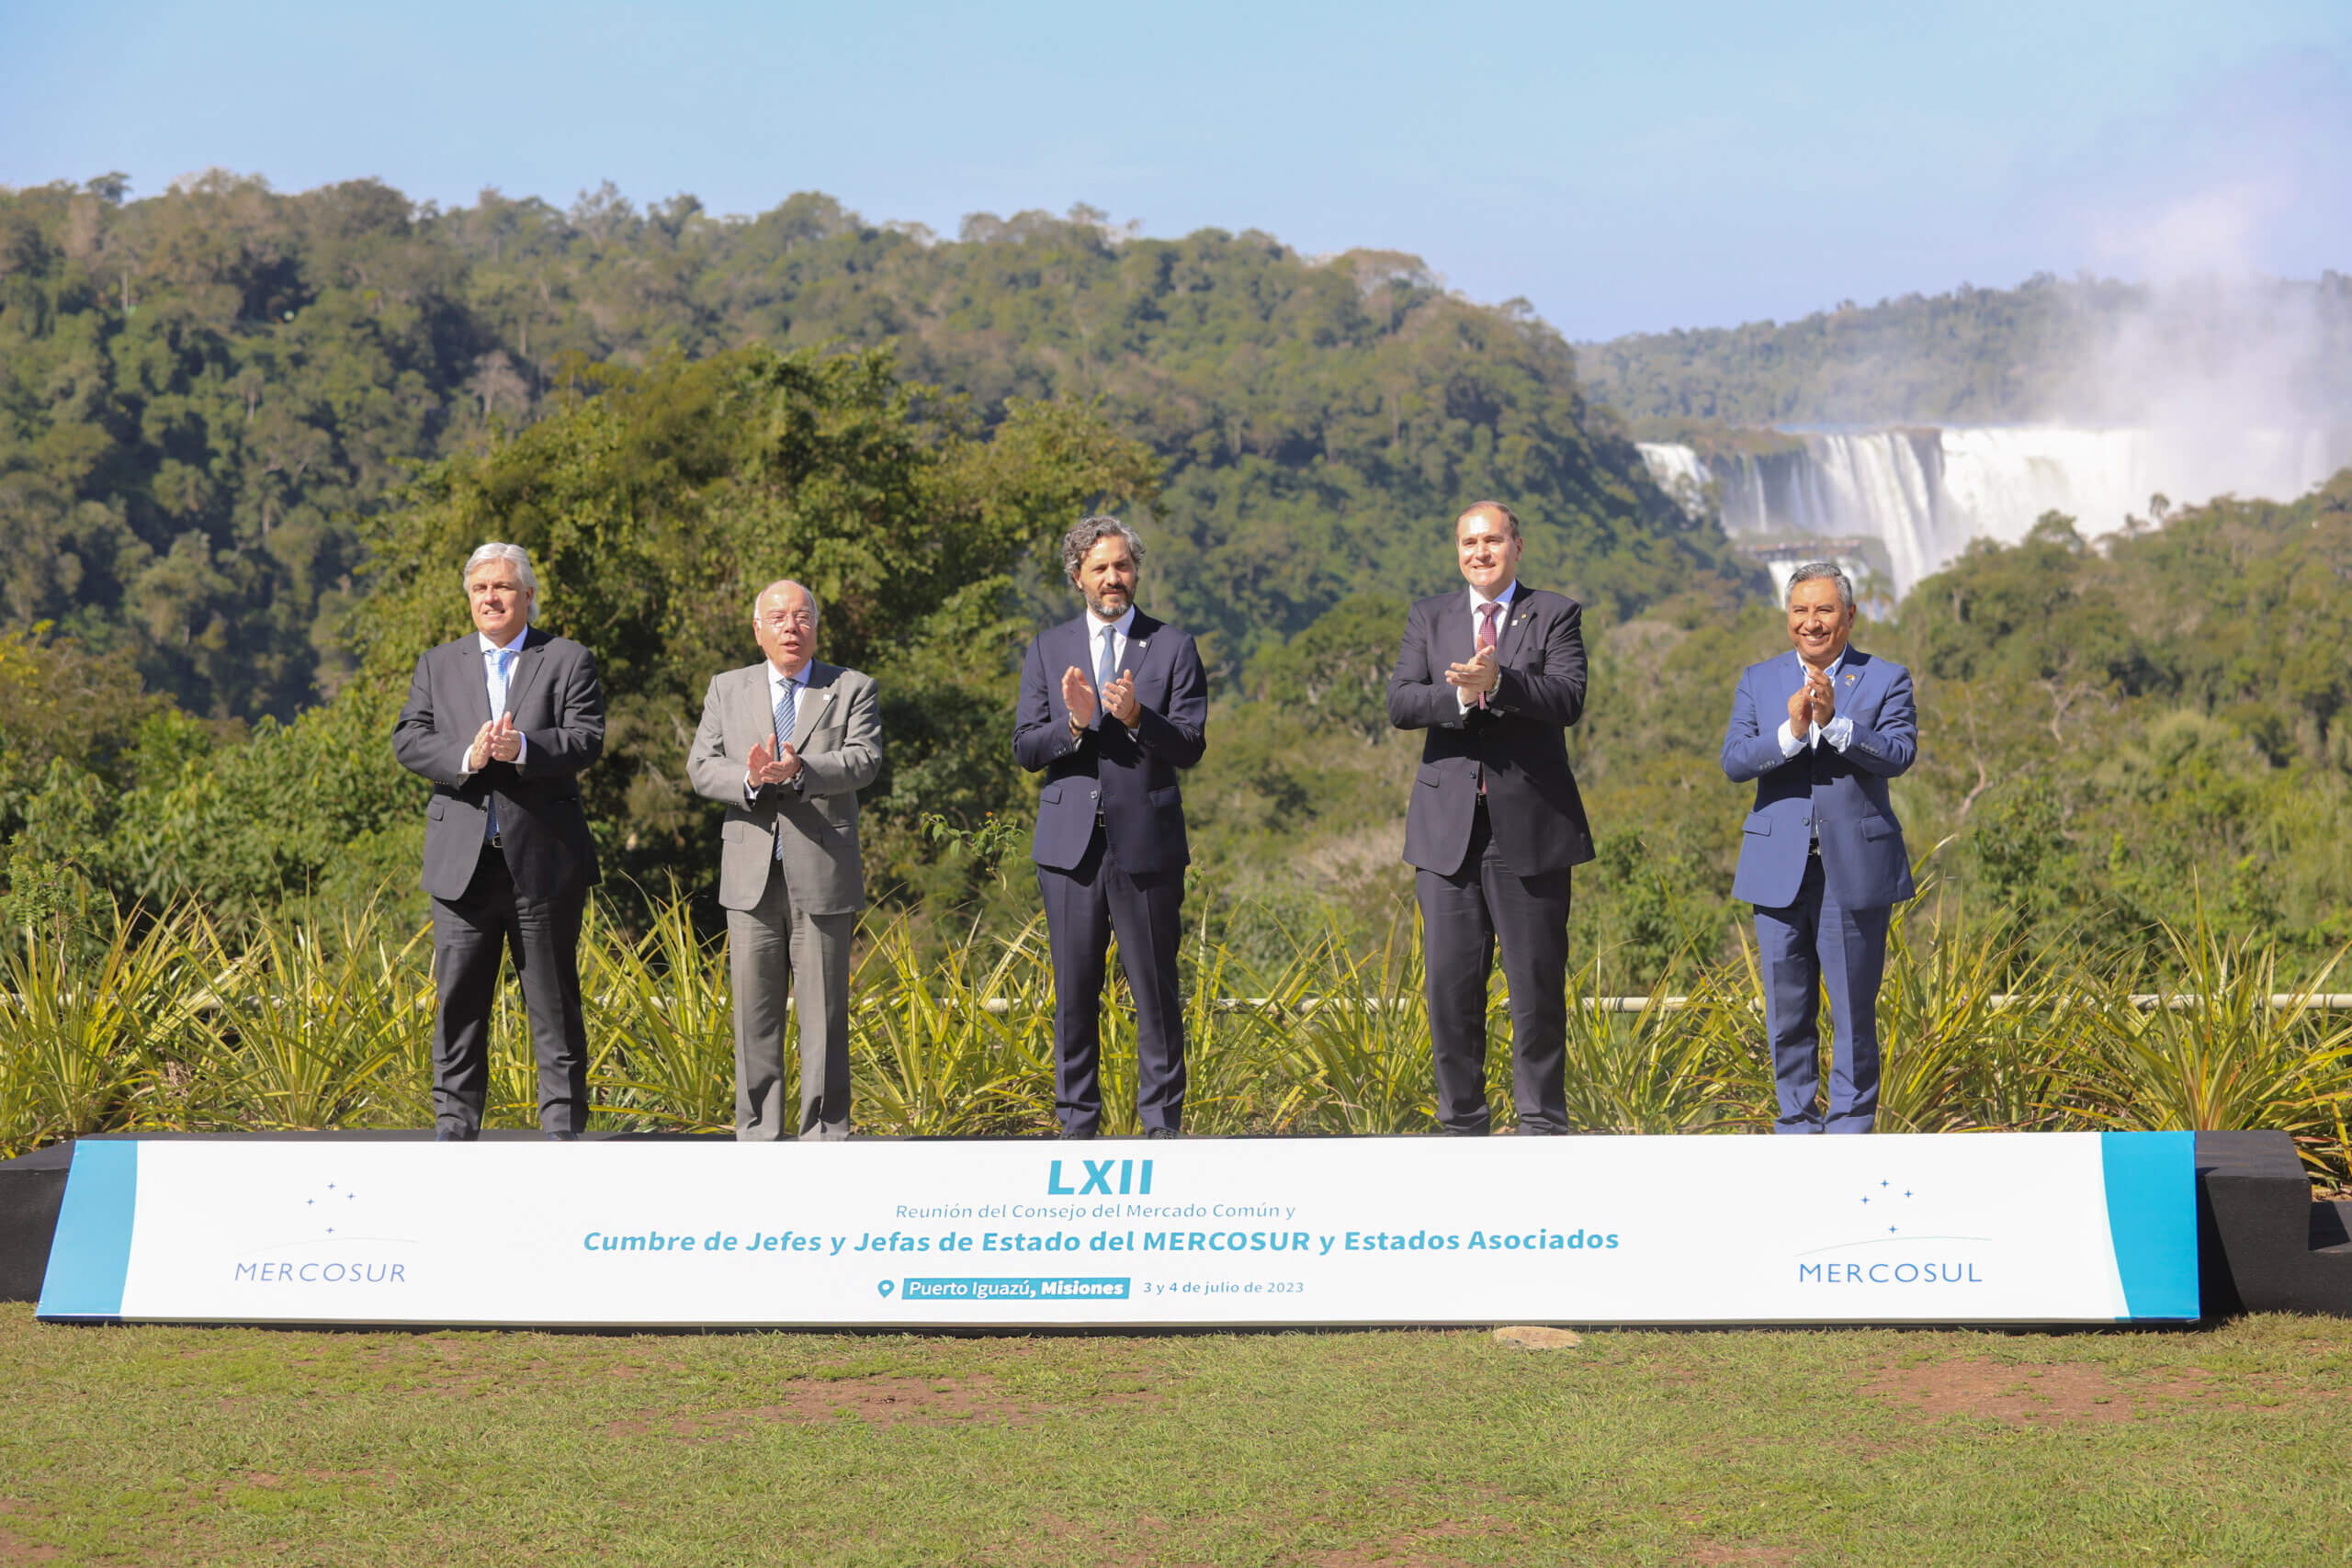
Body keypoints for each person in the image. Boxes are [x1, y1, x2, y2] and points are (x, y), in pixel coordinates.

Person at [1386, 501, 1593, 1135]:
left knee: (1535, 989)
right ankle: (1462, 1123)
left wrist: (1501, 684)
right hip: (1446, 832)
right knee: (1450, 991)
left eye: (1492, 540)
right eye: (1469, 542)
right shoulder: (1430, 616)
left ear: (1517, 546)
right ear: (1458, 551)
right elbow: (1401, 702)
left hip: (1530, 829)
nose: (1480, 552)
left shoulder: (1554, 612)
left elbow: (1568, 697)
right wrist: (1459, 694)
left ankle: (1541, 1124)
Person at [392, 542, 605, 1142]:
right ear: (469, 597)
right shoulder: (438, 663)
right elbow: (409, 738)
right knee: (459, 1003)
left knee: (553, 1003)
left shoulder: (566, 659)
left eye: (503, 587)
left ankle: (562, 1130)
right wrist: (468, 755)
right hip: (462, 866)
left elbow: (587, 737)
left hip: (544, 863)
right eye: (481, 588)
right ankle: (454, 1128)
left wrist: (525, 748)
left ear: (528, 596)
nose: (491, 597)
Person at [1013, 516, 1208, 1140]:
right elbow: (1026, 747)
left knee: (1155, 991)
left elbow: (1190, 744)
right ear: (1078, 577)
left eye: (1122, 565)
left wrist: (1137, 717)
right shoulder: (1048, 648)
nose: (1113, 577)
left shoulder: (1172, 645)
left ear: (1136, 571)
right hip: (1069, 851)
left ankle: (1161, 1126)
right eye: (1099, 568)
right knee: (1074, 993)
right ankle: (1076, 1126)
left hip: (1146, 847)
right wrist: (1074, 725)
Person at [1720, 563, 1917, 1134]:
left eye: (1825, 610)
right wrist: (1789, 733)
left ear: (1849, 615)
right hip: (1777, 870)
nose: (1812, 622)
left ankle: (1850, 1128)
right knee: (1786, 1011)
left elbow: (1899, 755)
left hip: (1854, 869)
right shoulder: (1758, 679)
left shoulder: (1885, 678)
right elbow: (1735, 761)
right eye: (1800, 611)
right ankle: (1797, 1126)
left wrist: (1835, 724)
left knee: (1854, 1010)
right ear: (1788, 617)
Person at [685, 581, 882, 1141]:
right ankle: (757, 1136)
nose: (790, 627)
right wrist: (750, 779)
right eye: (777, 618)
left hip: (822, 871)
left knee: (824, 1018)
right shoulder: (727, 688)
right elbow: (702, 767)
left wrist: (801, 770)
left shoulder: (851, 687)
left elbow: (864, 759)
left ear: (816, 628)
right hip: (750, 873)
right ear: (758, 630)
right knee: (754, 1016)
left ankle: (824, 1135)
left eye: (801, 617)